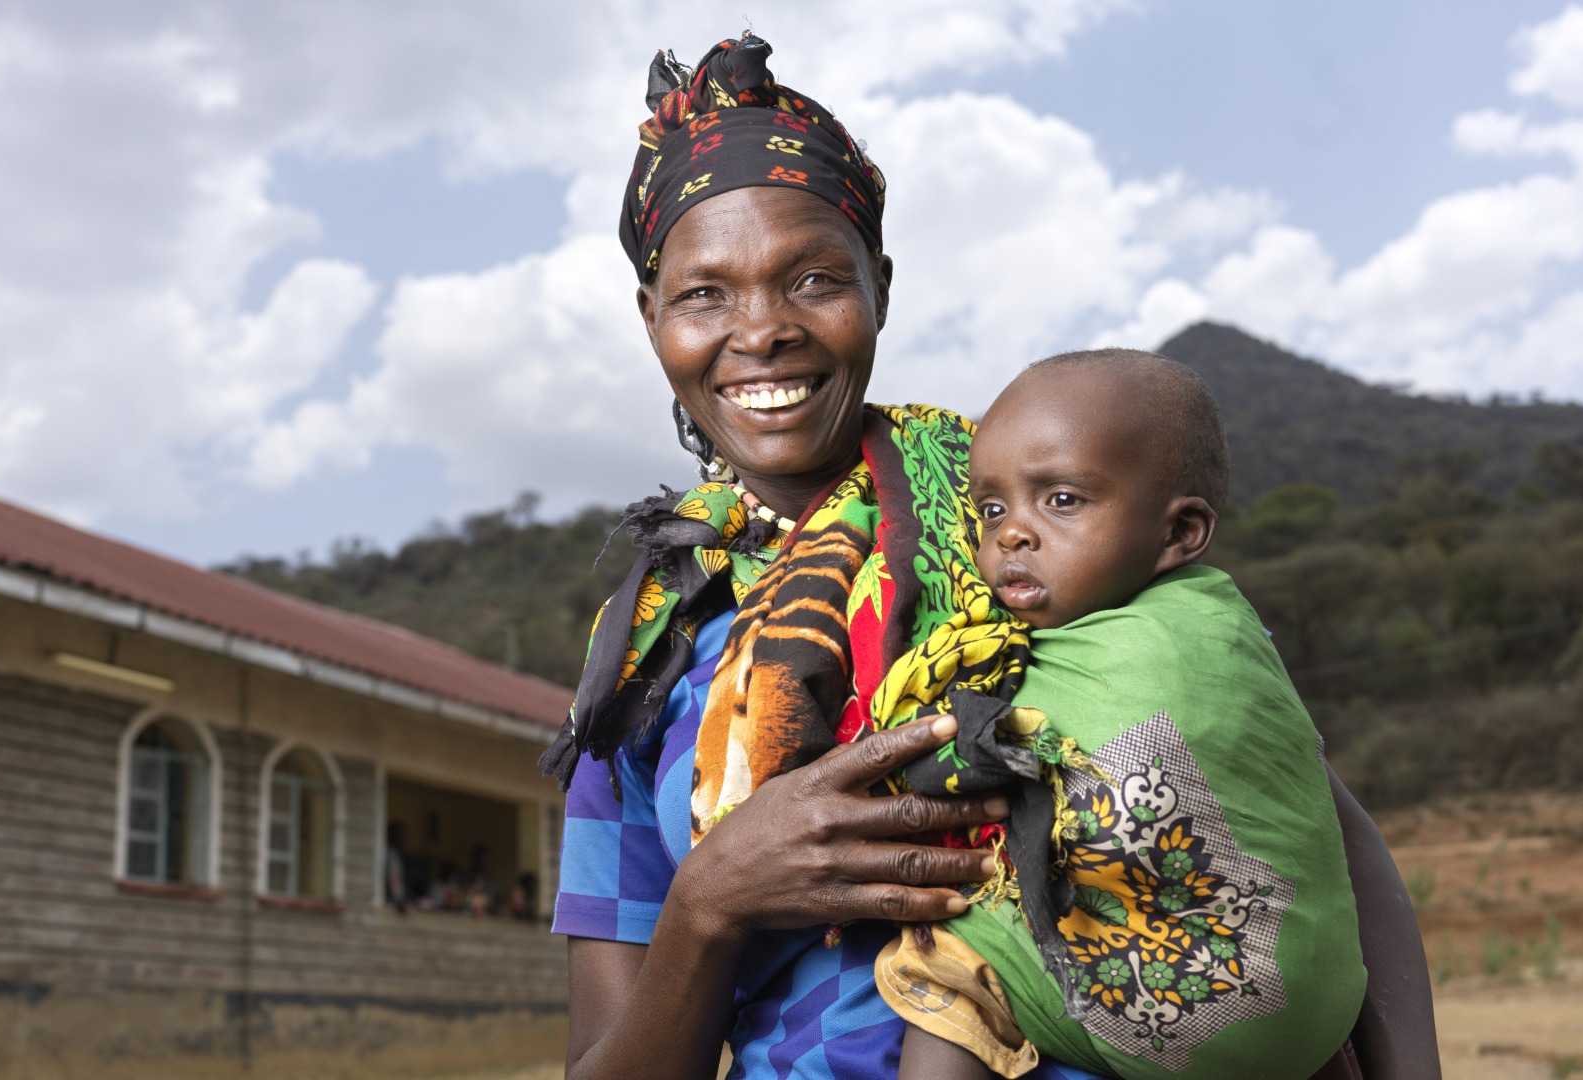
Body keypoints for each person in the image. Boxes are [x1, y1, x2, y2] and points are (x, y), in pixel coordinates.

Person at [542, 33, 1438, 1080]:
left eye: (814, 279)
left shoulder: (1044, 526)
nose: (763, 330)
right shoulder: (642, 660)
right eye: (705, 295)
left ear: (878, 284)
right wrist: (708, 906)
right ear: (652, 318)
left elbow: (1324, 838)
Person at [877, 351, 1364, 1079]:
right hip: (1311, 1021)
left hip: (1228, 998)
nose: (1011, 534)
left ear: (1179, 534)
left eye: (1062, 501)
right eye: (991, 508)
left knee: (944, 969)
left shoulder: (1197, 640)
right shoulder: (1218, 629)